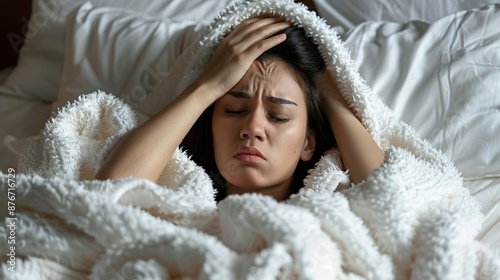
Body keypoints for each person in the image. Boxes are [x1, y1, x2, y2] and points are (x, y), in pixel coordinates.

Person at [95, 16, 385, 201]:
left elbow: (391, 200)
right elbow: (107, 196)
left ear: (308, 142)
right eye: (234, 109)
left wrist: (327, 89)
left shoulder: (332, 210)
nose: (252, 129)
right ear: (210, 127)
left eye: (279, 116)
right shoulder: (179, 205)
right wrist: (205, 87)